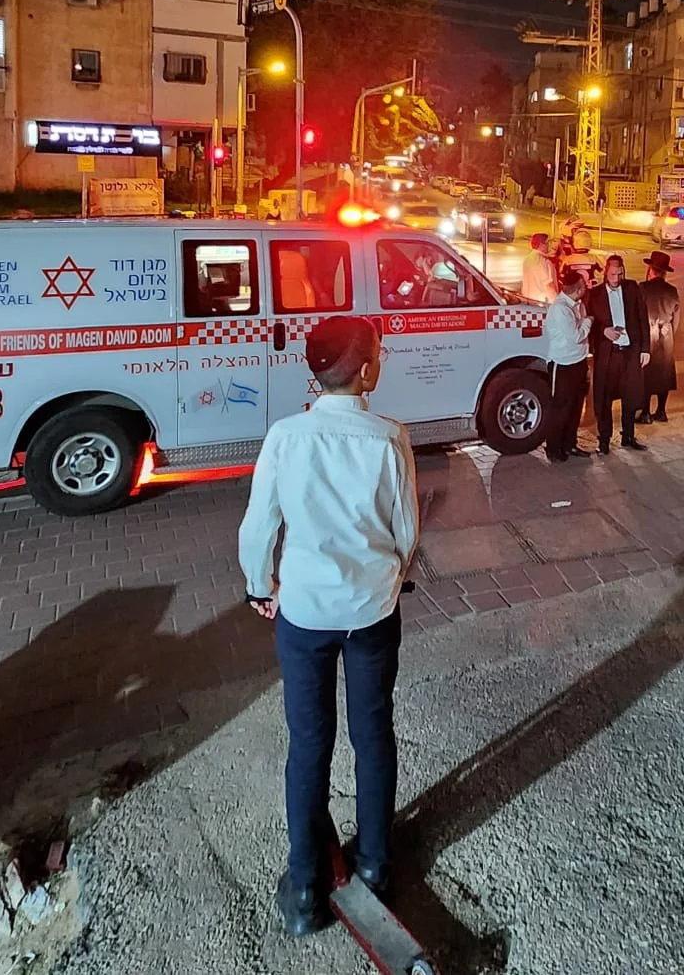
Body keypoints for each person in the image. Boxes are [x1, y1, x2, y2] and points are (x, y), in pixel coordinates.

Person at [237, 317, 420, 936]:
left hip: (304, 614)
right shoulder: (389, 437)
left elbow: (259, 526)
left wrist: (260, 586)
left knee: (308, 745)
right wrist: (394, 577)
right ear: (367, 370)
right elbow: (406, 531)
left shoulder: (286, 437)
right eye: (378, 354)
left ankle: (308, 890)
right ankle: (373, 866)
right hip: (371, 613)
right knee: (373, 735)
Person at [587, 255, 650, 454]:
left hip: (630, 352)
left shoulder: (632, 288)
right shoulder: (594, 294)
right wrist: (603, 331)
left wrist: (645, 349)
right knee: (604, 399)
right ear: (605, 272)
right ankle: (604, 440)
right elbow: (590, 324)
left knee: (630, 397)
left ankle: (628, 436)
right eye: (613, 274)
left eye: (620, 273)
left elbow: (642, 319)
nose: (616, 278)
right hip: (608, 355)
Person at [541, 272, 592, 461]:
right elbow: (576, 336)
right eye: (584, 285)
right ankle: (554, 449)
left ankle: (570, 444)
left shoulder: (578, 304)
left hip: (578, 361)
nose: (586, 288)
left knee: (575, 407)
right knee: (560, 408)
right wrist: (588, 322)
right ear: (578, 289)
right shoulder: (560, 309)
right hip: (562, 365)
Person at [640, 251, 682, 422]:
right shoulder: (672, 291)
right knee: (664, 372)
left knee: (646, 372)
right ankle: (661, 410)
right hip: (666, 334)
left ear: (650, 269)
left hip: (648, 333)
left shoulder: (642, 288)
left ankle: (645, 412)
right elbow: (677, 318)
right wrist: (671, 332)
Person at [520, 232, 557, 302]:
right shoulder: (541, 261)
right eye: (547, 243)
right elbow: (548, 284)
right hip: (542, 302)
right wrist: (556, 301)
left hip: (528, 299)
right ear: (540, 244)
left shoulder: (528, 258)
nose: (549, 245)